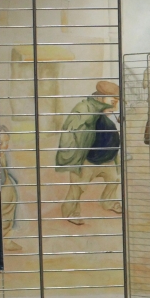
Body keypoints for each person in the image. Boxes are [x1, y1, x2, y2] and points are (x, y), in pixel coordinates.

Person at [55, 81, 123, 225]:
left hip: (106, 159)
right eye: (113, 102)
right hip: (87, 160)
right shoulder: (83, 109)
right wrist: (71, 159)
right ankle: (70, 212)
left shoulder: (106, 111)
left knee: (115, 179)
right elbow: (70, 133)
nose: (115, 107)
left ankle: (108, 202)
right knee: (77, 188)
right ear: (100, 98)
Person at [0, 126, 22, 251]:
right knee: (3, 219)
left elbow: (6, 170)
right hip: (3, 197)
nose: (5, 146)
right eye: (1, 143)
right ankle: (3, 242)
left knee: (8, 220)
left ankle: (6, 241)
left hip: (8, 197)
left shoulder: (2, 155)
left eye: (6, 142)